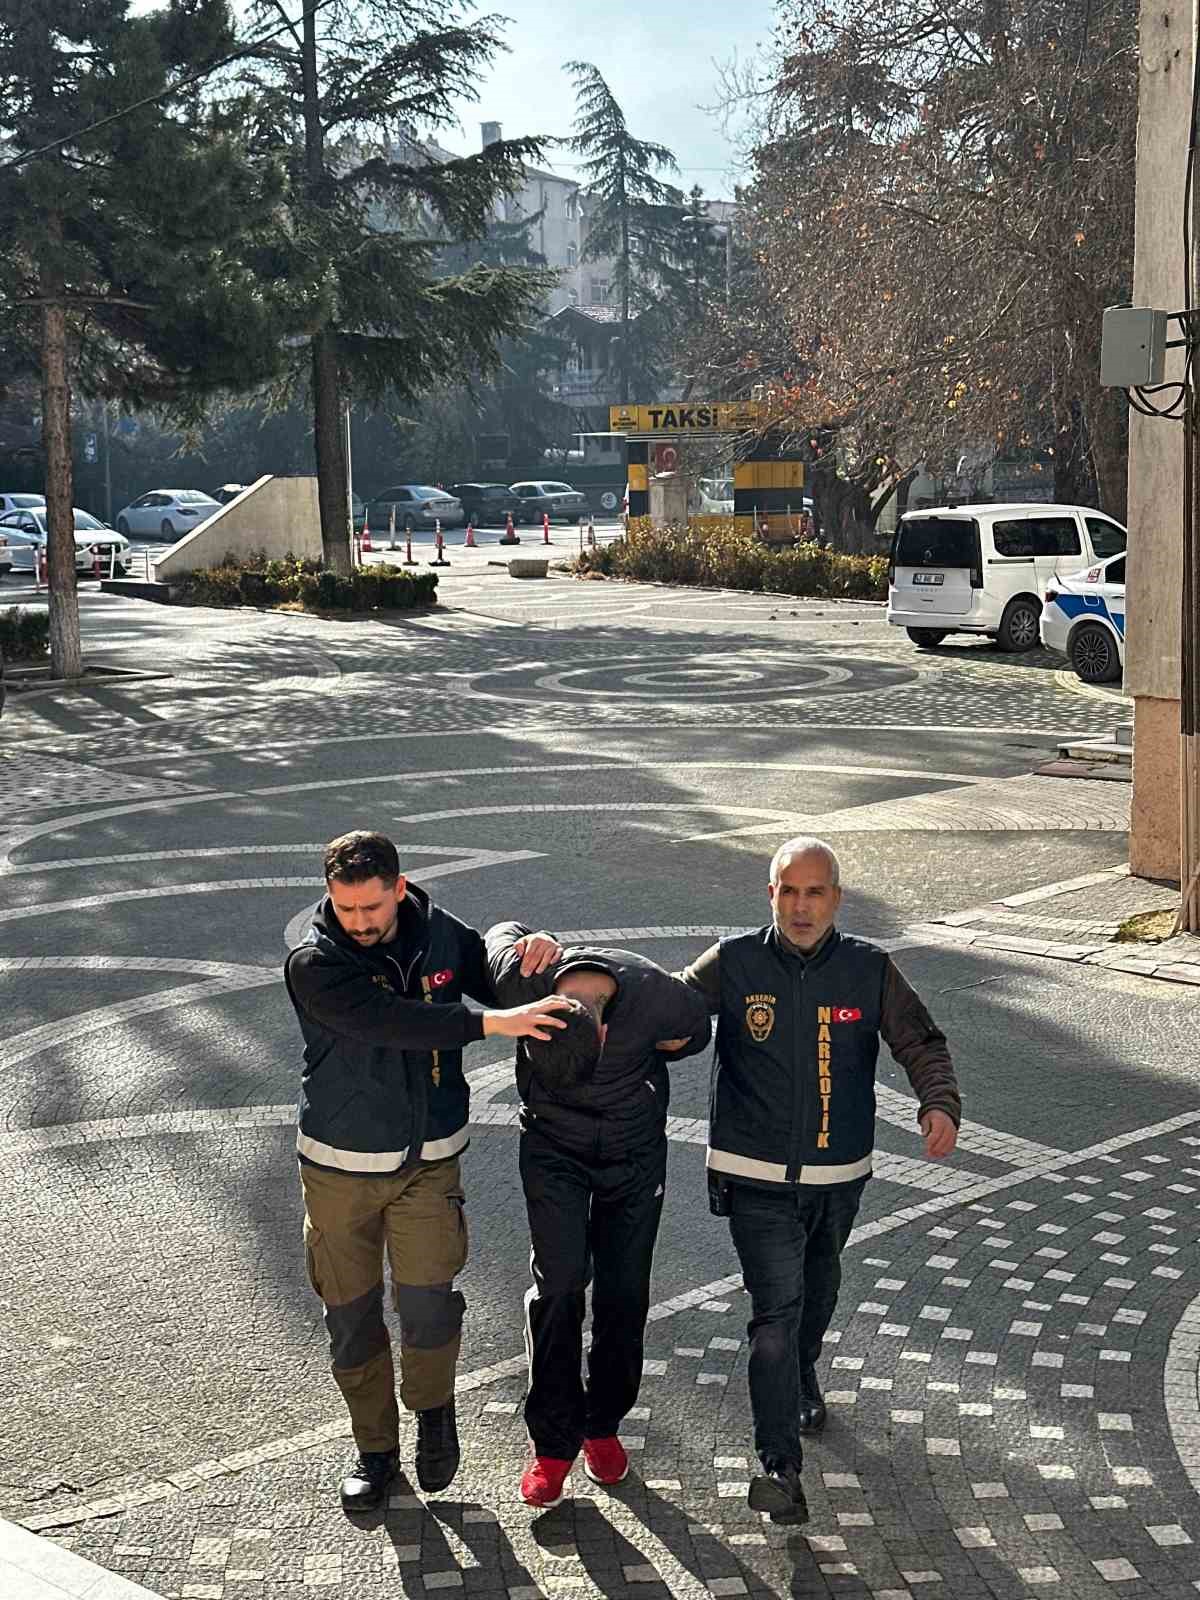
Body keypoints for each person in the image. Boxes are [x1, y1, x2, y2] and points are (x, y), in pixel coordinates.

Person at [284, 831, 569, 1512]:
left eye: (372, 907)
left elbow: (493, 971)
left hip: (429, 1161)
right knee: (351, 1319)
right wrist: (495, 1026)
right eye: (346, 908)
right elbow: (398, 1023)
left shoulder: (438, 933)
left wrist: (533, 948)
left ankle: (434, 1414)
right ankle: (375, 1451)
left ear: (400, 888)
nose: (360, 922)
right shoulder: (315, 963)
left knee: (429, 1307)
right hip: (339, 1169)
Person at [680, 836, 961, 1525]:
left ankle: (804, 1370)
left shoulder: (869, 968)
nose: (801, 906)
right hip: (752, 1175)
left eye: (815, 892)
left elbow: (920, 1041)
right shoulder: (734, 961)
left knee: (820, 1285)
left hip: (840, 1176)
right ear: (770, 894)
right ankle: (779, 1467)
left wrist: (938, 1102)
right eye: (789, 891)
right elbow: (670, 1009)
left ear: (836, 898)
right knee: (774, 1314)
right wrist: (611, 1007)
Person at [485, 923, 712, 1509]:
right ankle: (553, 1445)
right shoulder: (525, 978)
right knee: (559, 1286)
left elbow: (698, 1031)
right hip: (552, 1149)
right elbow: (496, 934)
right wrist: (527, 935)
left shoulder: (656, 993)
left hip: (634, 1154)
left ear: (606, 1030)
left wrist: (672, 1047)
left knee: (624, 1291)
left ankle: (603, 1424)